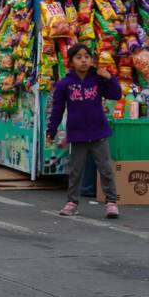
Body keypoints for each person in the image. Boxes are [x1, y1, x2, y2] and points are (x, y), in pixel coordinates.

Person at [46, 42, 122, 219]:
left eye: (87, 57)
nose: (83, 61)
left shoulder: (98, 79)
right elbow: (57, 109)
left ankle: (111, 202)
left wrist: (109, 78)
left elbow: (116, 94)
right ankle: (72, 202)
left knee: (105, 169)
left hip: (99, 133)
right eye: (79, 57)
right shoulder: (65, 84)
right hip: (78, 134)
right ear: (71, 61)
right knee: (76, 170)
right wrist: (51, 130)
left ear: (92, 60)